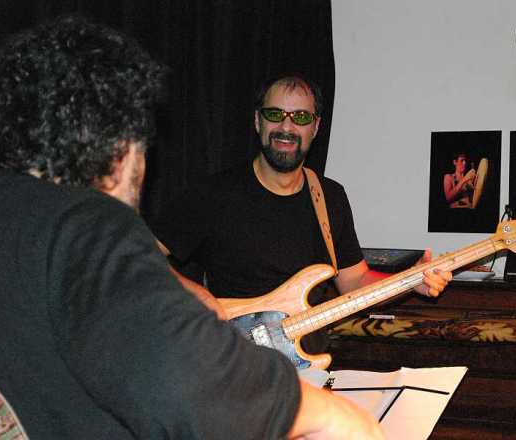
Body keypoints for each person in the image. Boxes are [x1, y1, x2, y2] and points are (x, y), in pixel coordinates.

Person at [0, 16, 384, 440]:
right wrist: (334, 416)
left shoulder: (7, 214)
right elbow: (193, 383)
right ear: (122, 148)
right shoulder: (91, 228)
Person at [152, 74, 451, 338]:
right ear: (257, 121)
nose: (287, 126)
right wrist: (197, 297)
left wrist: (411, 281)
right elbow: (141, 253)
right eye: (275, 114)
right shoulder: (214, 194)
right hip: (236, 363)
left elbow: (354, 281)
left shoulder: (330, 197)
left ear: (316, 127)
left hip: (309, 365)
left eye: (301, 117)